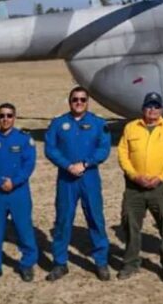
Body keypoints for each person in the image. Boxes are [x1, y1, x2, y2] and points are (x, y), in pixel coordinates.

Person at [44, 86, 112, 281]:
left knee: (95, 219)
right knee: (63, 220)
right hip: (66, 179)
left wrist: (85, 163)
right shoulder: (58, 123)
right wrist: (67, 165)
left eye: (83, 100)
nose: (79, 103)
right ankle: (59, 263)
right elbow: (50, 148)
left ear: (87, 102)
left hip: (89, 177)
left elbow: (103, 149)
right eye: (75, 99)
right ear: (69, 101)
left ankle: (101, 262)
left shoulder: (98, 123)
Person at [116, 91, 163, 283]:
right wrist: (135, 176)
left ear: (161, 109)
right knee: (130, 225)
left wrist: (160, 178)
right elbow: (123, 154)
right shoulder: (131, 127)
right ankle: (130, 263)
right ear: (143, 108)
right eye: (149, 106)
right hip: (134, 187)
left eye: (156, 106)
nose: (152, 109)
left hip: (159, 187)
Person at [0, 103, 39, 284]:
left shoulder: (24, 140)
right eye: (2, 116)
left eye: (9, 115)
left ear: (14, 118)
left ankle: (27, 264)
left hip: (18, 191)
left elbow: (28, 164)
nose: (5, 119)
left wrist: (14, 181)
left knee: (23, 228)